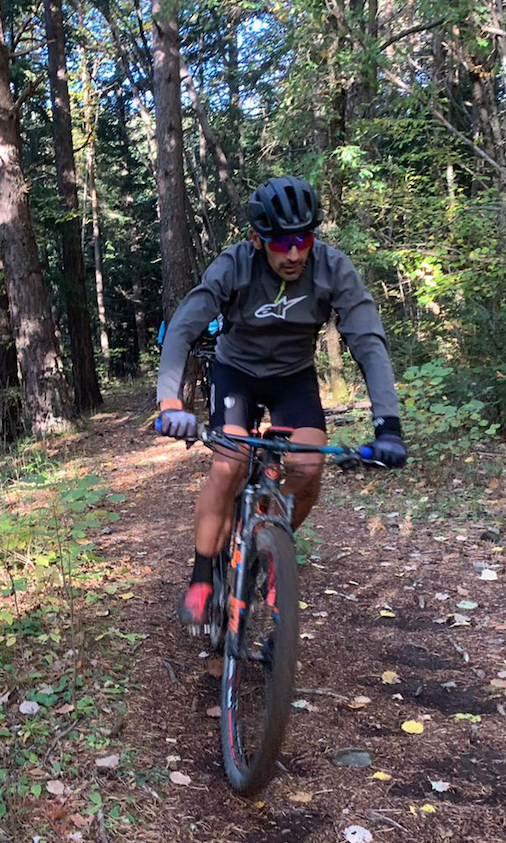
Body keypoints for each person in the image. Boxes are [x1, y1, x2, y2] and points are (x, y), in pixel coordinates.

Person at [156, 176, 408, 625]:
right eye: (281, 242)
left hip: (294, 378)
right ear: (257, 239)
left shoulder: (332, 269)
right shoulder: (234, 266)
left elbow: (368, 341)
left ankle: (271, 545)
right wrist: (171, 404)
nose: (293, 253)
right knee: (230, 464)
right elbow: (183, 327)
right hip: (237, 375)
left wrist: (388, 425)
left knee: (308, 468)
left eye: (303, 239)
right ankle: (201, 577)